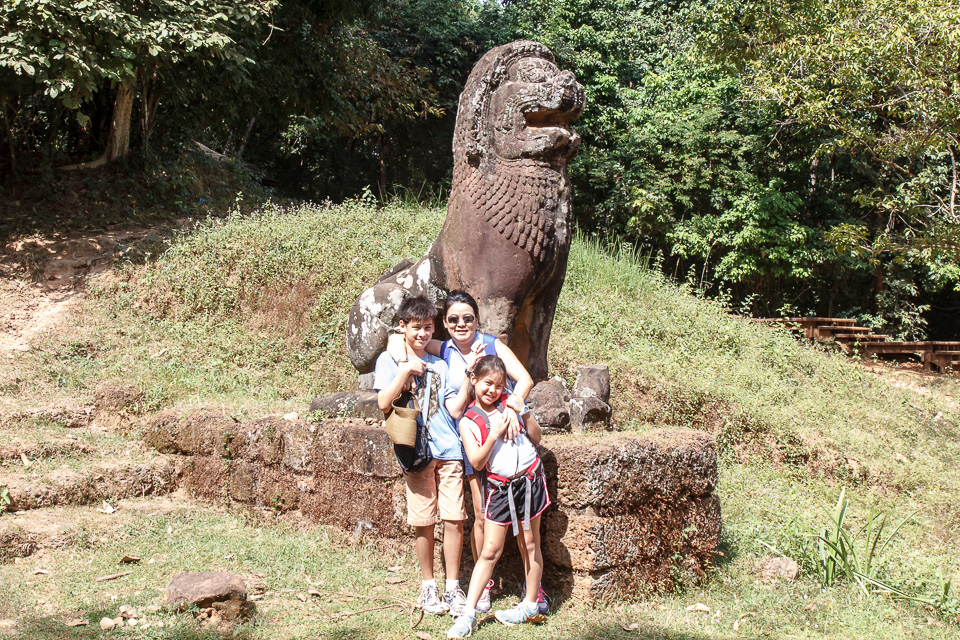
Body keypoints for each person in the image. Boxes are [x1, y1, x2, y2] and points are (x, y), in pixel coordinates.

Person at [387, 291, 545, 613]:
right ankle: (484, 584)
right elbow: (401, 339)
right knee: (481, 515)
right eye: (454, 319)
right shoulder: (443, 348)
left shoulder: (492, 344)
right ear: (445, 323)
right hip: (470, 440)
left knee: (525, 524)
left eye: (468, 318)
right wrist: (400, 356)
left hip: (507, 437)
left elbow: (525, 380)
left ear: (477, 320)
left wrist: (512, 408)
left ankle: (533, 588)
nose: (462, 324)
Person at [374, 296, 472, 616]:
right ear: (402, 327)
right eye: (416, 327)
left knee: (455, 518)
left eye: (428, 327)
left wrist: (469, 380)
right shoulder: (389, 361)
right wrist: (405, 371)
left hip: (450, 448)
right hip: (417, 451)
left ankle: (453, 587)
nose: (423, 334)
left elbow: (451, 406)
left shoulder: (440, 363)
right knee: (424, 521)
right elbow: (383, 403)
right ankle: (428, 586)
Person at [447, 355, 550, 639]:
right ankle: (469, 614)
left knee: (531, 543)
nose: (492, 390)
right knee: (490, 550)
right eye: (487, 384)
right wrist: (493, 434)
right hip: (500, 489)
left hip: (529, 480)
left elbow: (536, 438)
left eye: (499, 385)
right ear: (473, 380)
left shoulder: (510, 404)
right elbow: (477, 461)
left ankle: (530, 604)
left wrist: (522, 411)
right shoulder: (469, 421)